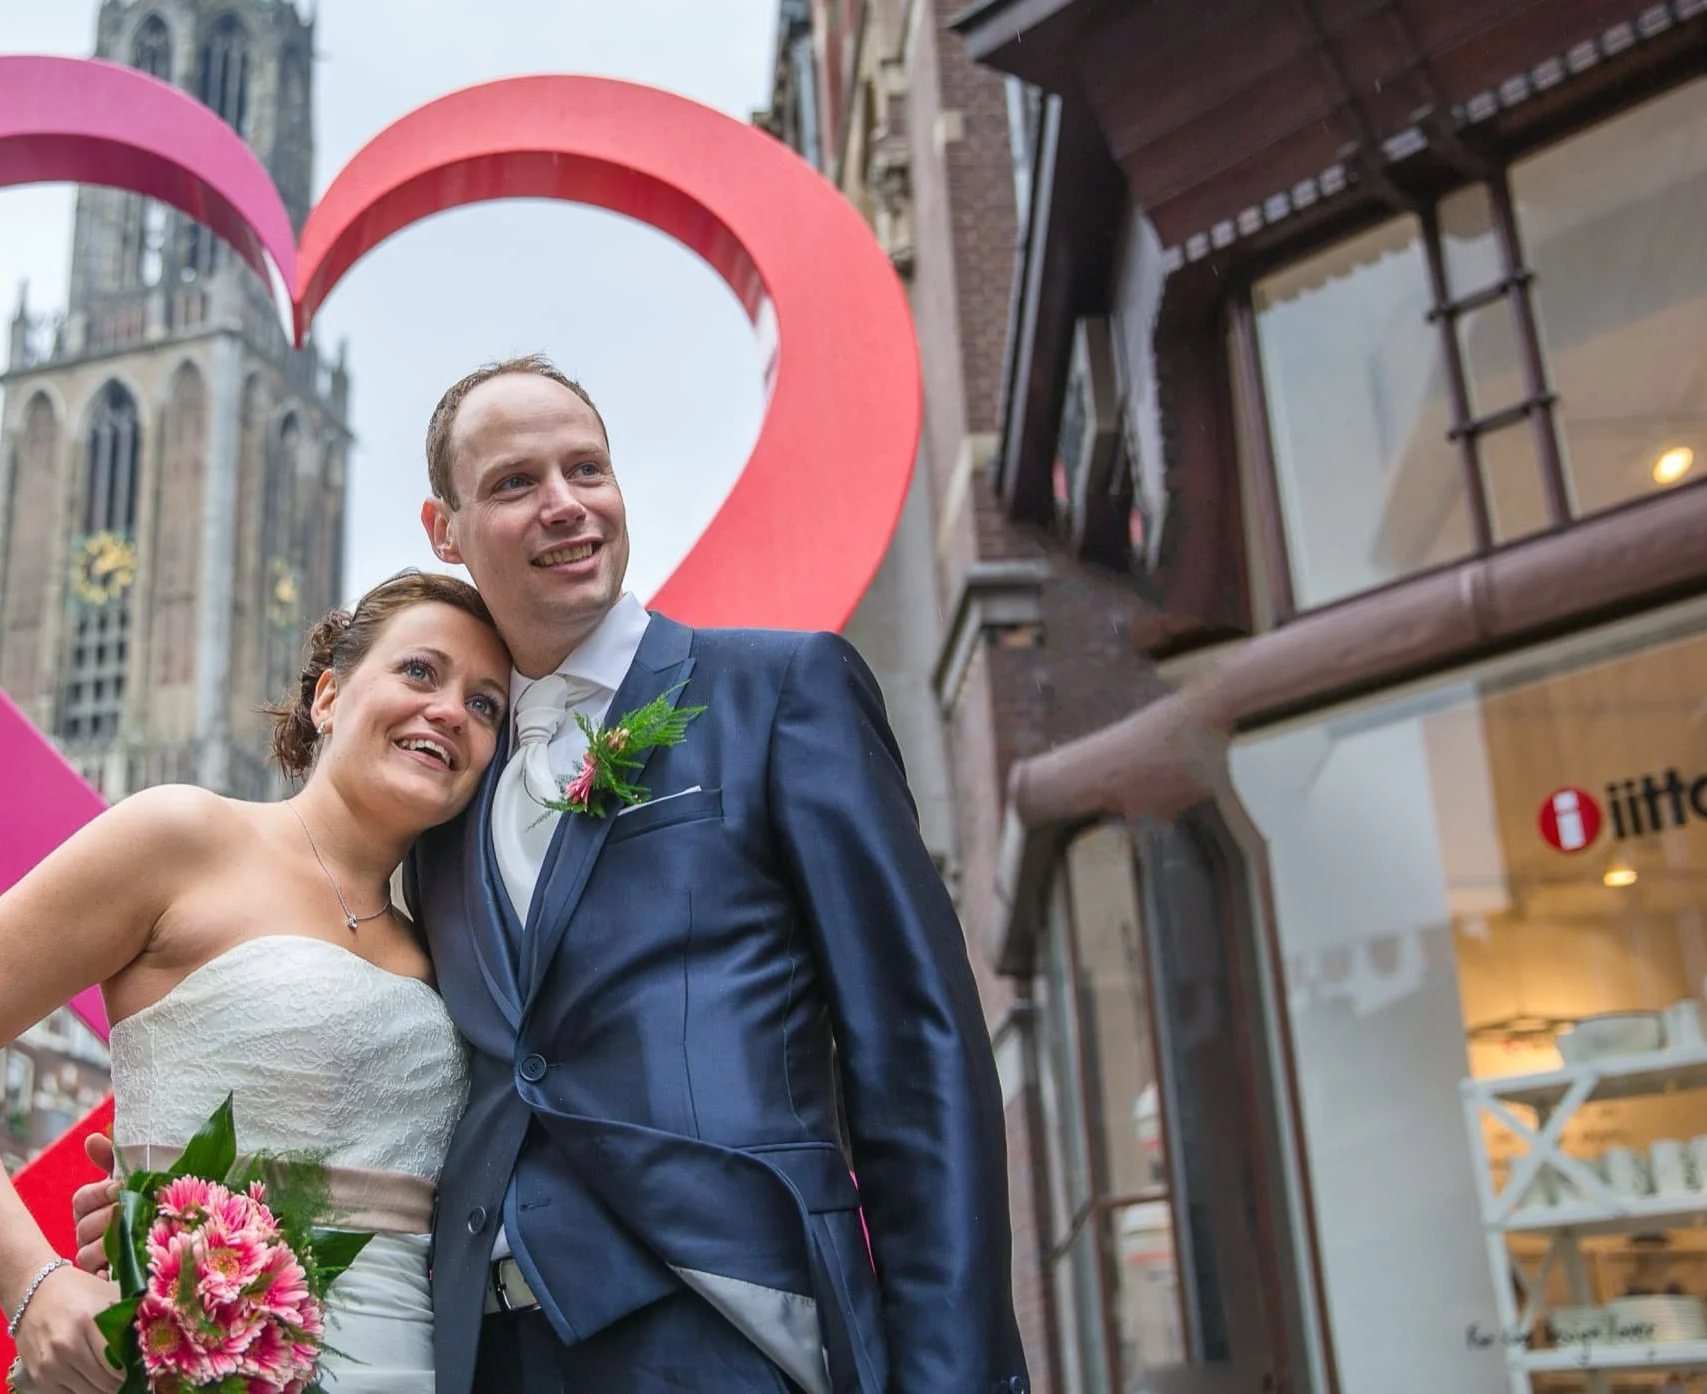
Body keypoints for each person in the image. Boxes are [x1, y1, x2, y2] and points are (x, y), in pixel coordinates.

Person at [73, 355, 1027, 1394]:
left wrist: (953, 1375)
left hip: (735, 1329)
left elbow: (915, 1047)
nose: (565, 505)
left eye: (588, 469)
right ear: (445, 529)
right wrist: (170, 1194)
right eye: (517, 482)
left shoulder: (780, 690)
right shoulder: (440, 799)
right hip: (476, 1355)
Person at [0, 570, 510, 1394]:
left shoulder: (457, 946)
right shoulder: (185, 836)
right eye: (420, 671)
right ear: (330, 696)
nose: (450, 710)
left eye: (485, 704)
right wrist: (34, 1286)